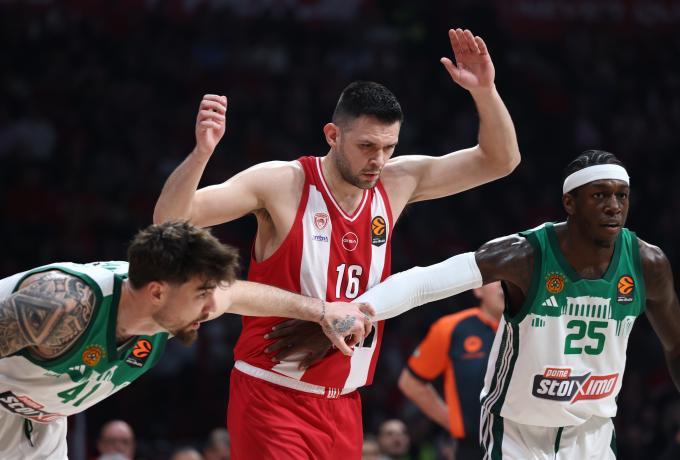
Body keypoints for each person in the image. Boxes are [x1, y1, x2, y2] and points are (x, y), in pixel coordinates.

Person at [153, 27, 520, 458]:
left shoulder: (398, 181)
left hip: (345, 404)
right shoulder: (281, 183)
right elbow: (170, 220)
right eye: (366, 146)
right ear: (332, 135)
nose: (377, 160)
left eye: (388, 147)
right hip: (273, 397)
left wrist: (485, 92)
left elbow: (500, 161)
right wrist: (201, 154)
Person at [356, 150, 680, 458]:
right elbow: (423, 282)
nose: (614, 206)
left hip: (592, 432)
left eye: (622, 195)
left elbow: (676, 345)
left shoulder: (647, 263)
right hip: (517, 433)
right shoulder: (525, 255)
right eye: (599, 195)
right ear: (570, 202)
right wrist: (359, 309)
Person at [0, 220, 372, 459]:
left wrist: (322, 311)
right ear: (157, 293)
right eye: (201, 294)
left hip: (38, 422)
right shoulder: (62, 305)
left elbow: (238, 293)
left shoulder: (168, 308)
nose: (211, 307)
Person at [398, 282, 504, 459]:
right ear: (478, 289)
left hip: (528, 446)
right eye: (497, 278)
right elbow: (410, 382)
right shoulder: (451, 327)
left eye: (510, 278)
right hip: (472, 449)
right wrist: (453, 421)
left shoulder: (537, 328)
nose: (504, 285)